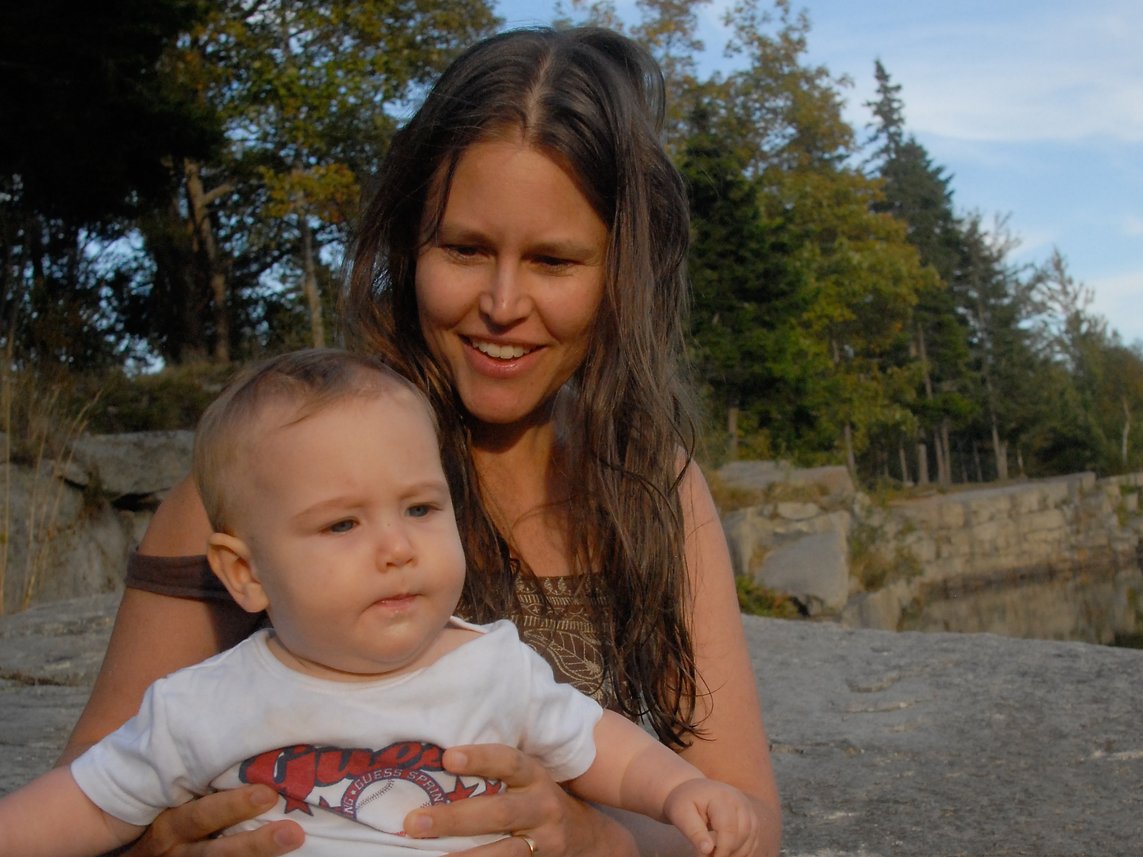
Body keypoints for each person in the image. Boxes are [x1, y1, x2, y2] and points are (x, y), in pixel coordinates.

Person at [60, 25, 782, 857]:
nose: (503, 303)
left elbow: (745, 824)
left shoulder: (648, 484)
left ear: (622, 274)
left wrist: (591, 839)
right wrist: (162, 850)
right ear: (408, 244)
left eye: (554, 261)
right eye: (465, 248)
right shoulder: (264, 488)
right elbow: (88, 795)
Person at [1, 350, 758, 857]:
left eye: (422, 509)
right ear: (246, 572)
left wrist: (681, 789)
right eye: (342, 523)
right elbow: (86, 802)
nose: (395, 546)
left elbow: (604, 747)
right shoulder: (203, 704)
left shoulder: (492, 665)